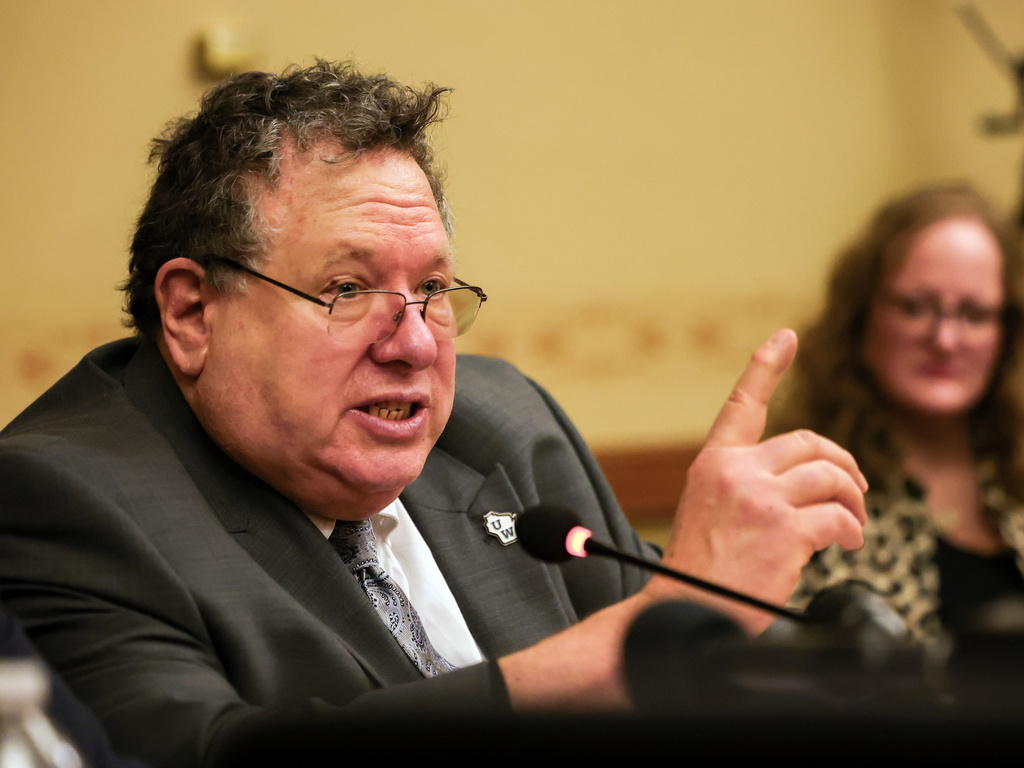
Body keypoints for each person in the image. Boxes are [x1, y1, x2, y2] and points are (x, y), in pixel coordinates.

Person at [0, 60, 866, 768]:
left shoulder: (505, 424)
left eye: (433, 290)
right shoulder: (63, 498)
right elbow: (202, 753)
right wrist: (632, 645)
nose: (414, 343)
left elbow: (683, 687)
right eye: (346, 289)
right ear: (192, 313)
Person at [771, 182, 1024, 640]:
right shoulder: (800, 492)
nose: (945, 339)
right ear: (862, 313)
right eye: (915, 307)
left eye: (974, 314)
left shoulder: (1014, 480)